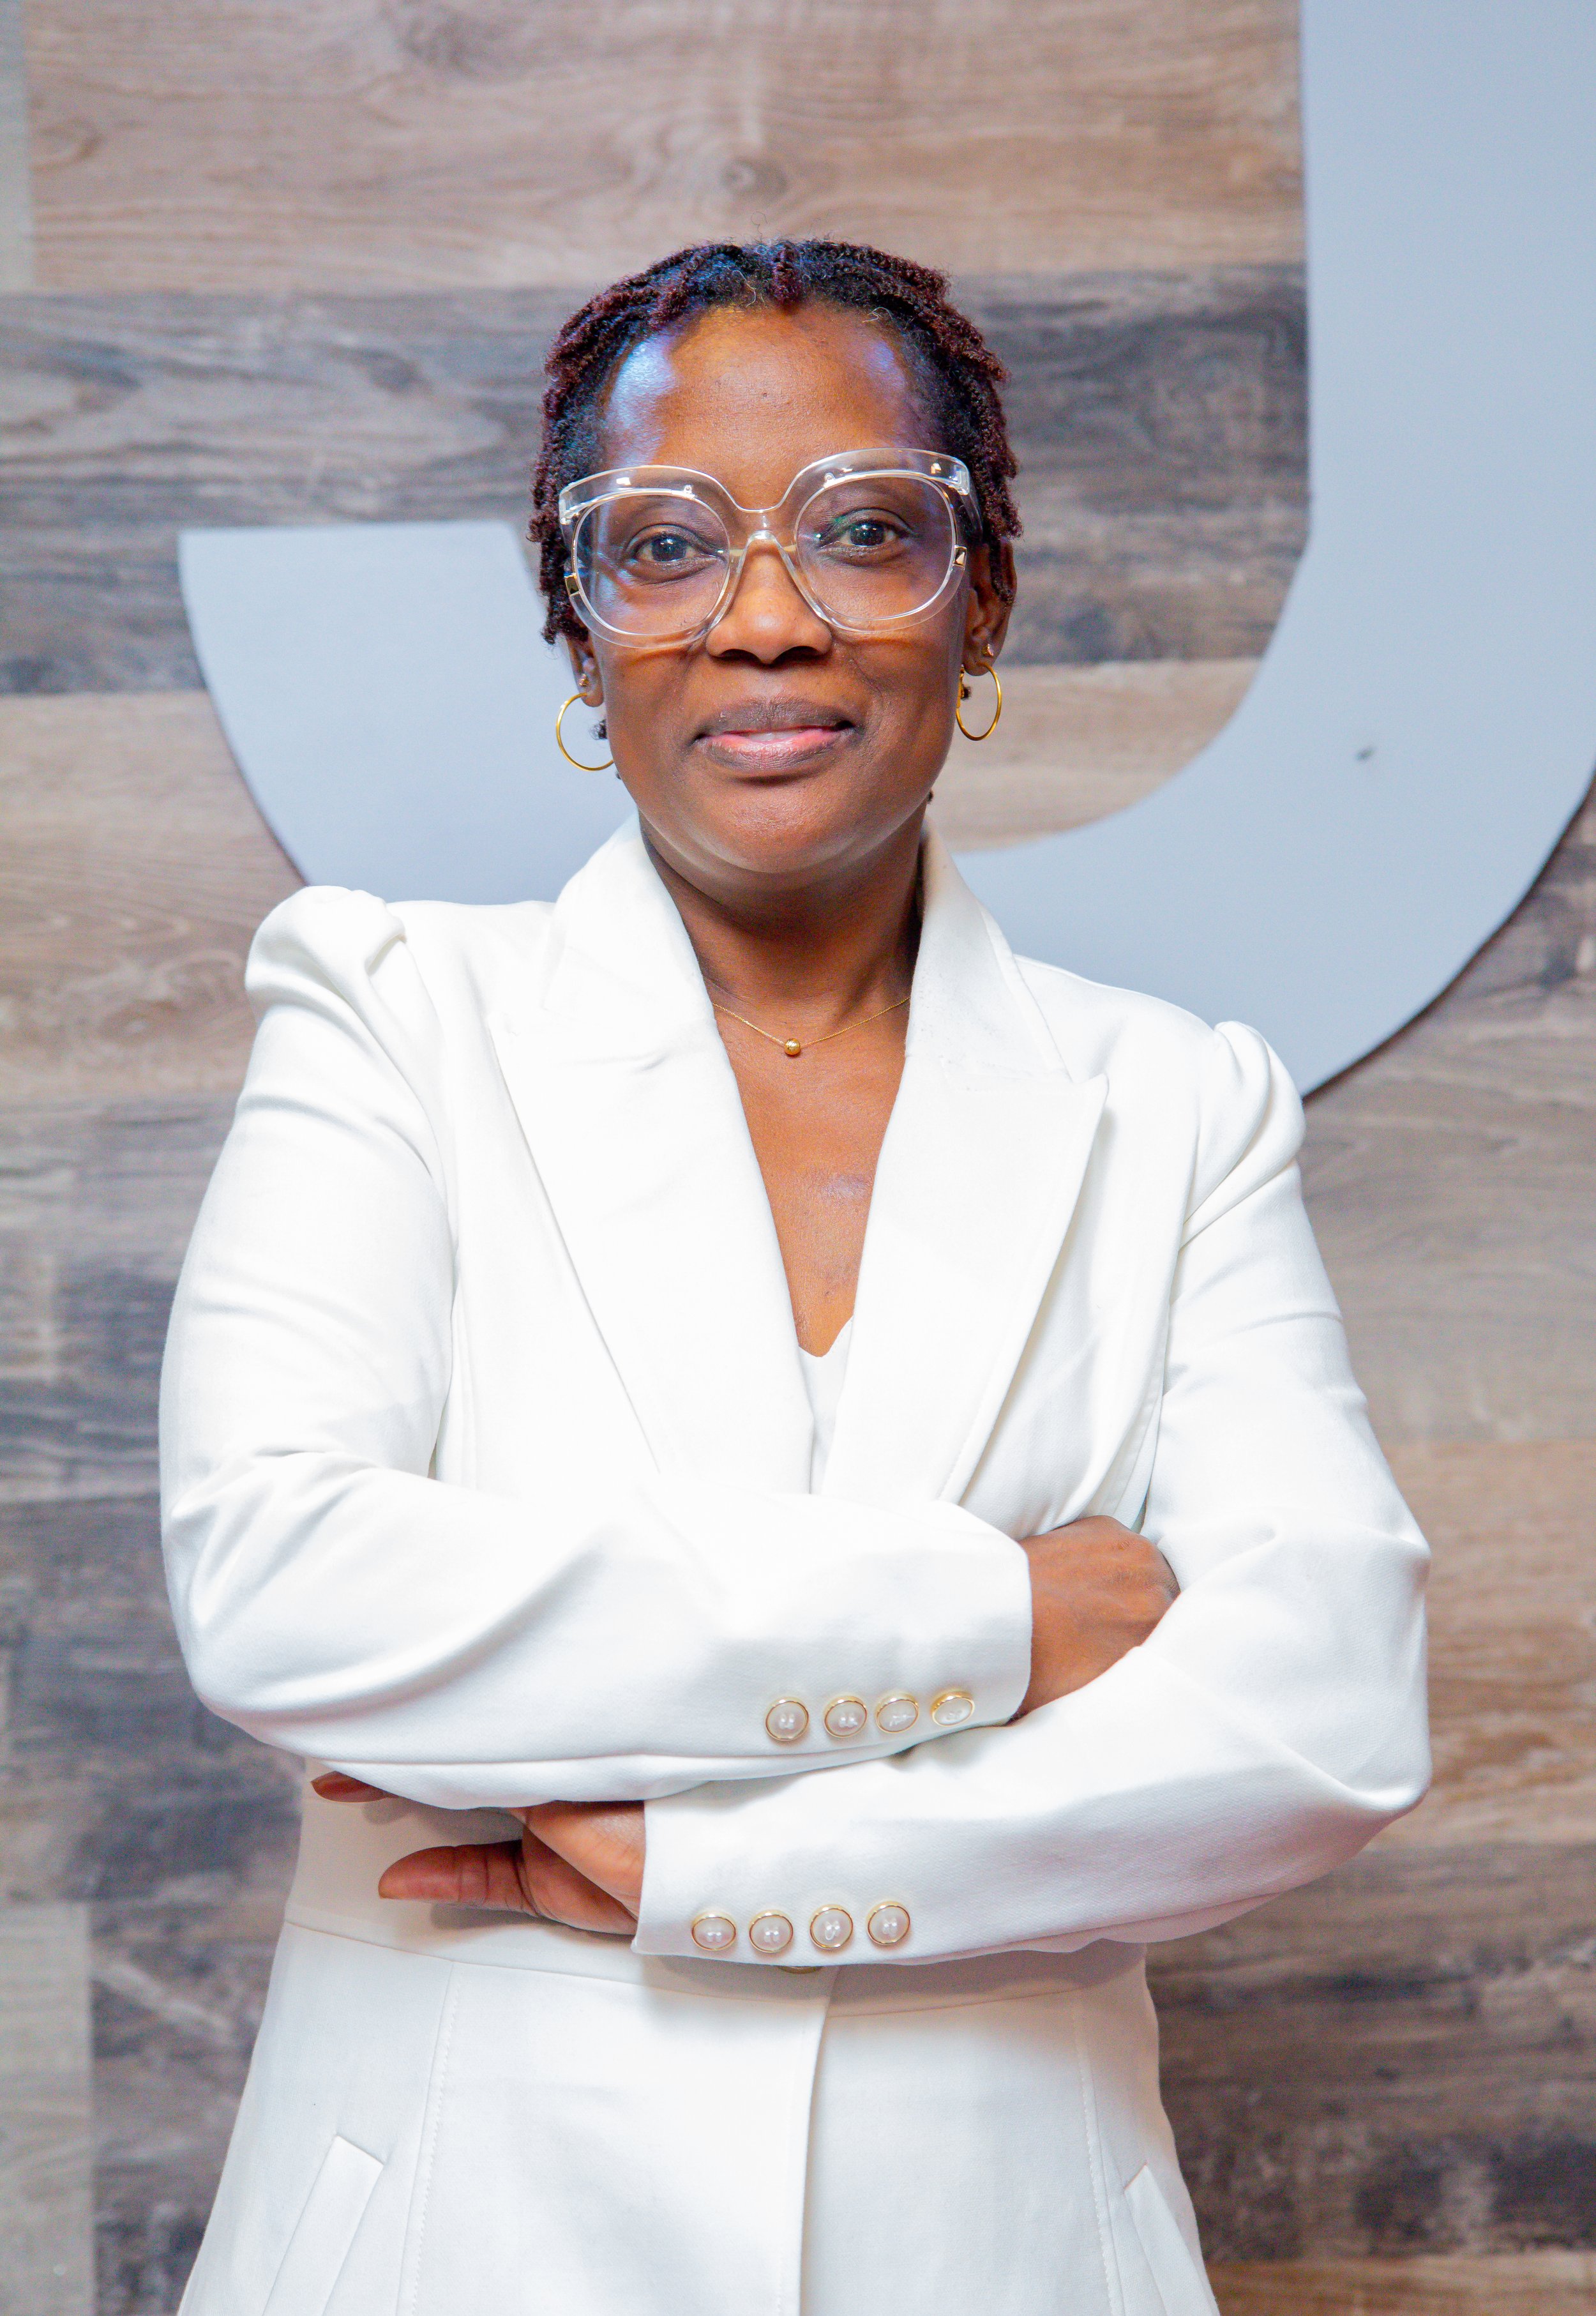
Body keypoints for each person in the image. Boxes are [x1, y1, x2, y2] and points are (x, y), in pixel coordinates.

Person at [160, 239, 1429, 2316]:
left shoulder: (1177, 1105)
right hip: (464, 2246)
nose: (765, 617)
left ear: (981, 595)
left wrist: (727, 1869)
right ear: (582, 636)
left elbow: (1323, 1702)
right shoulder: (392, 1013)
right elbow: (285, 1582)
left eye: (860, 531)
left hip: (999, 2244)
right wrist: (1005, 1613)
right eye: (662, 546)